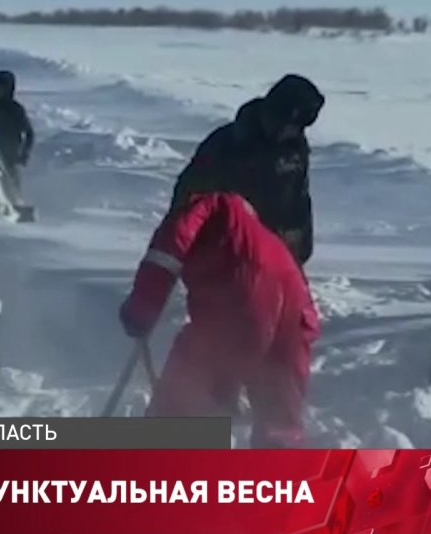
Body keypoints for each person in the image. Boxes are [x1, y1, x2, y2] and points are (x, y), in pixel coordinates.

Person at [118, 191, 319, 448]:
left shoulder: (210, 206)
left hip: (242, 298)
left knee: (183, 391)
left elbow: (167, 252)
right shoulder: (266, 239)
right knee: (279, 423)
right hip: (296, 317)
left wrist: (142, 307)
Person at [169, 74, 324, 268]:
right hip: (224, 255)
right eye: (293, 125)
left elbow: (298, 199)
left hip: (274, 254)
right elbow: (189, 195)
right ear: (279, 117)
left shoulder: (294, 148)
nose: (296, 132)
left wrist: (301, 246)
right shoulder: (226, 145)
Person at [0, 69, 35, 191]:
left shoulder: (16, 109)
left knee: (11, 189)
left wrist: (24, 154)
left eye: (1, 87)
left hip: (9, 157)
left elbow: (29, 134)